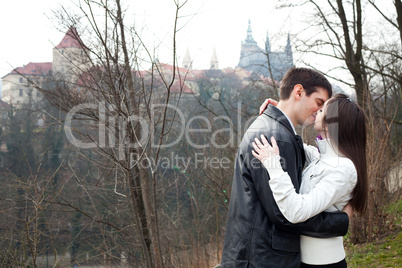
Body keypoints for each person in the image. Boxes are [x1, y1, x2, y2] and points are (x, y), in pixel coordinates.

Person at [220, 68, 350, 268]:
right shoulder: (277, 138)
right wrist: (340, 221)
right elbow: (285, 214)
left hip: (255, 255)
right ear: (298, 92)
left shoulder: (271, 128)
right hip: (265, 259)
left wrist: (278, 110)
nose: (320, 111)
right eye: (319, 103)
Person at [251, 94, 368, 267]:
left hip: (323, 264)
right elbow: (294, 144)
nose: (316, 112)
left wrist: (273, 165)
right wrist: (283, 114)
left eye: (322, 110)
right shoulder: (322, 157)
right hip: (303, 261)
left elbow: (297, 211)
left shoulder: (343, 169)